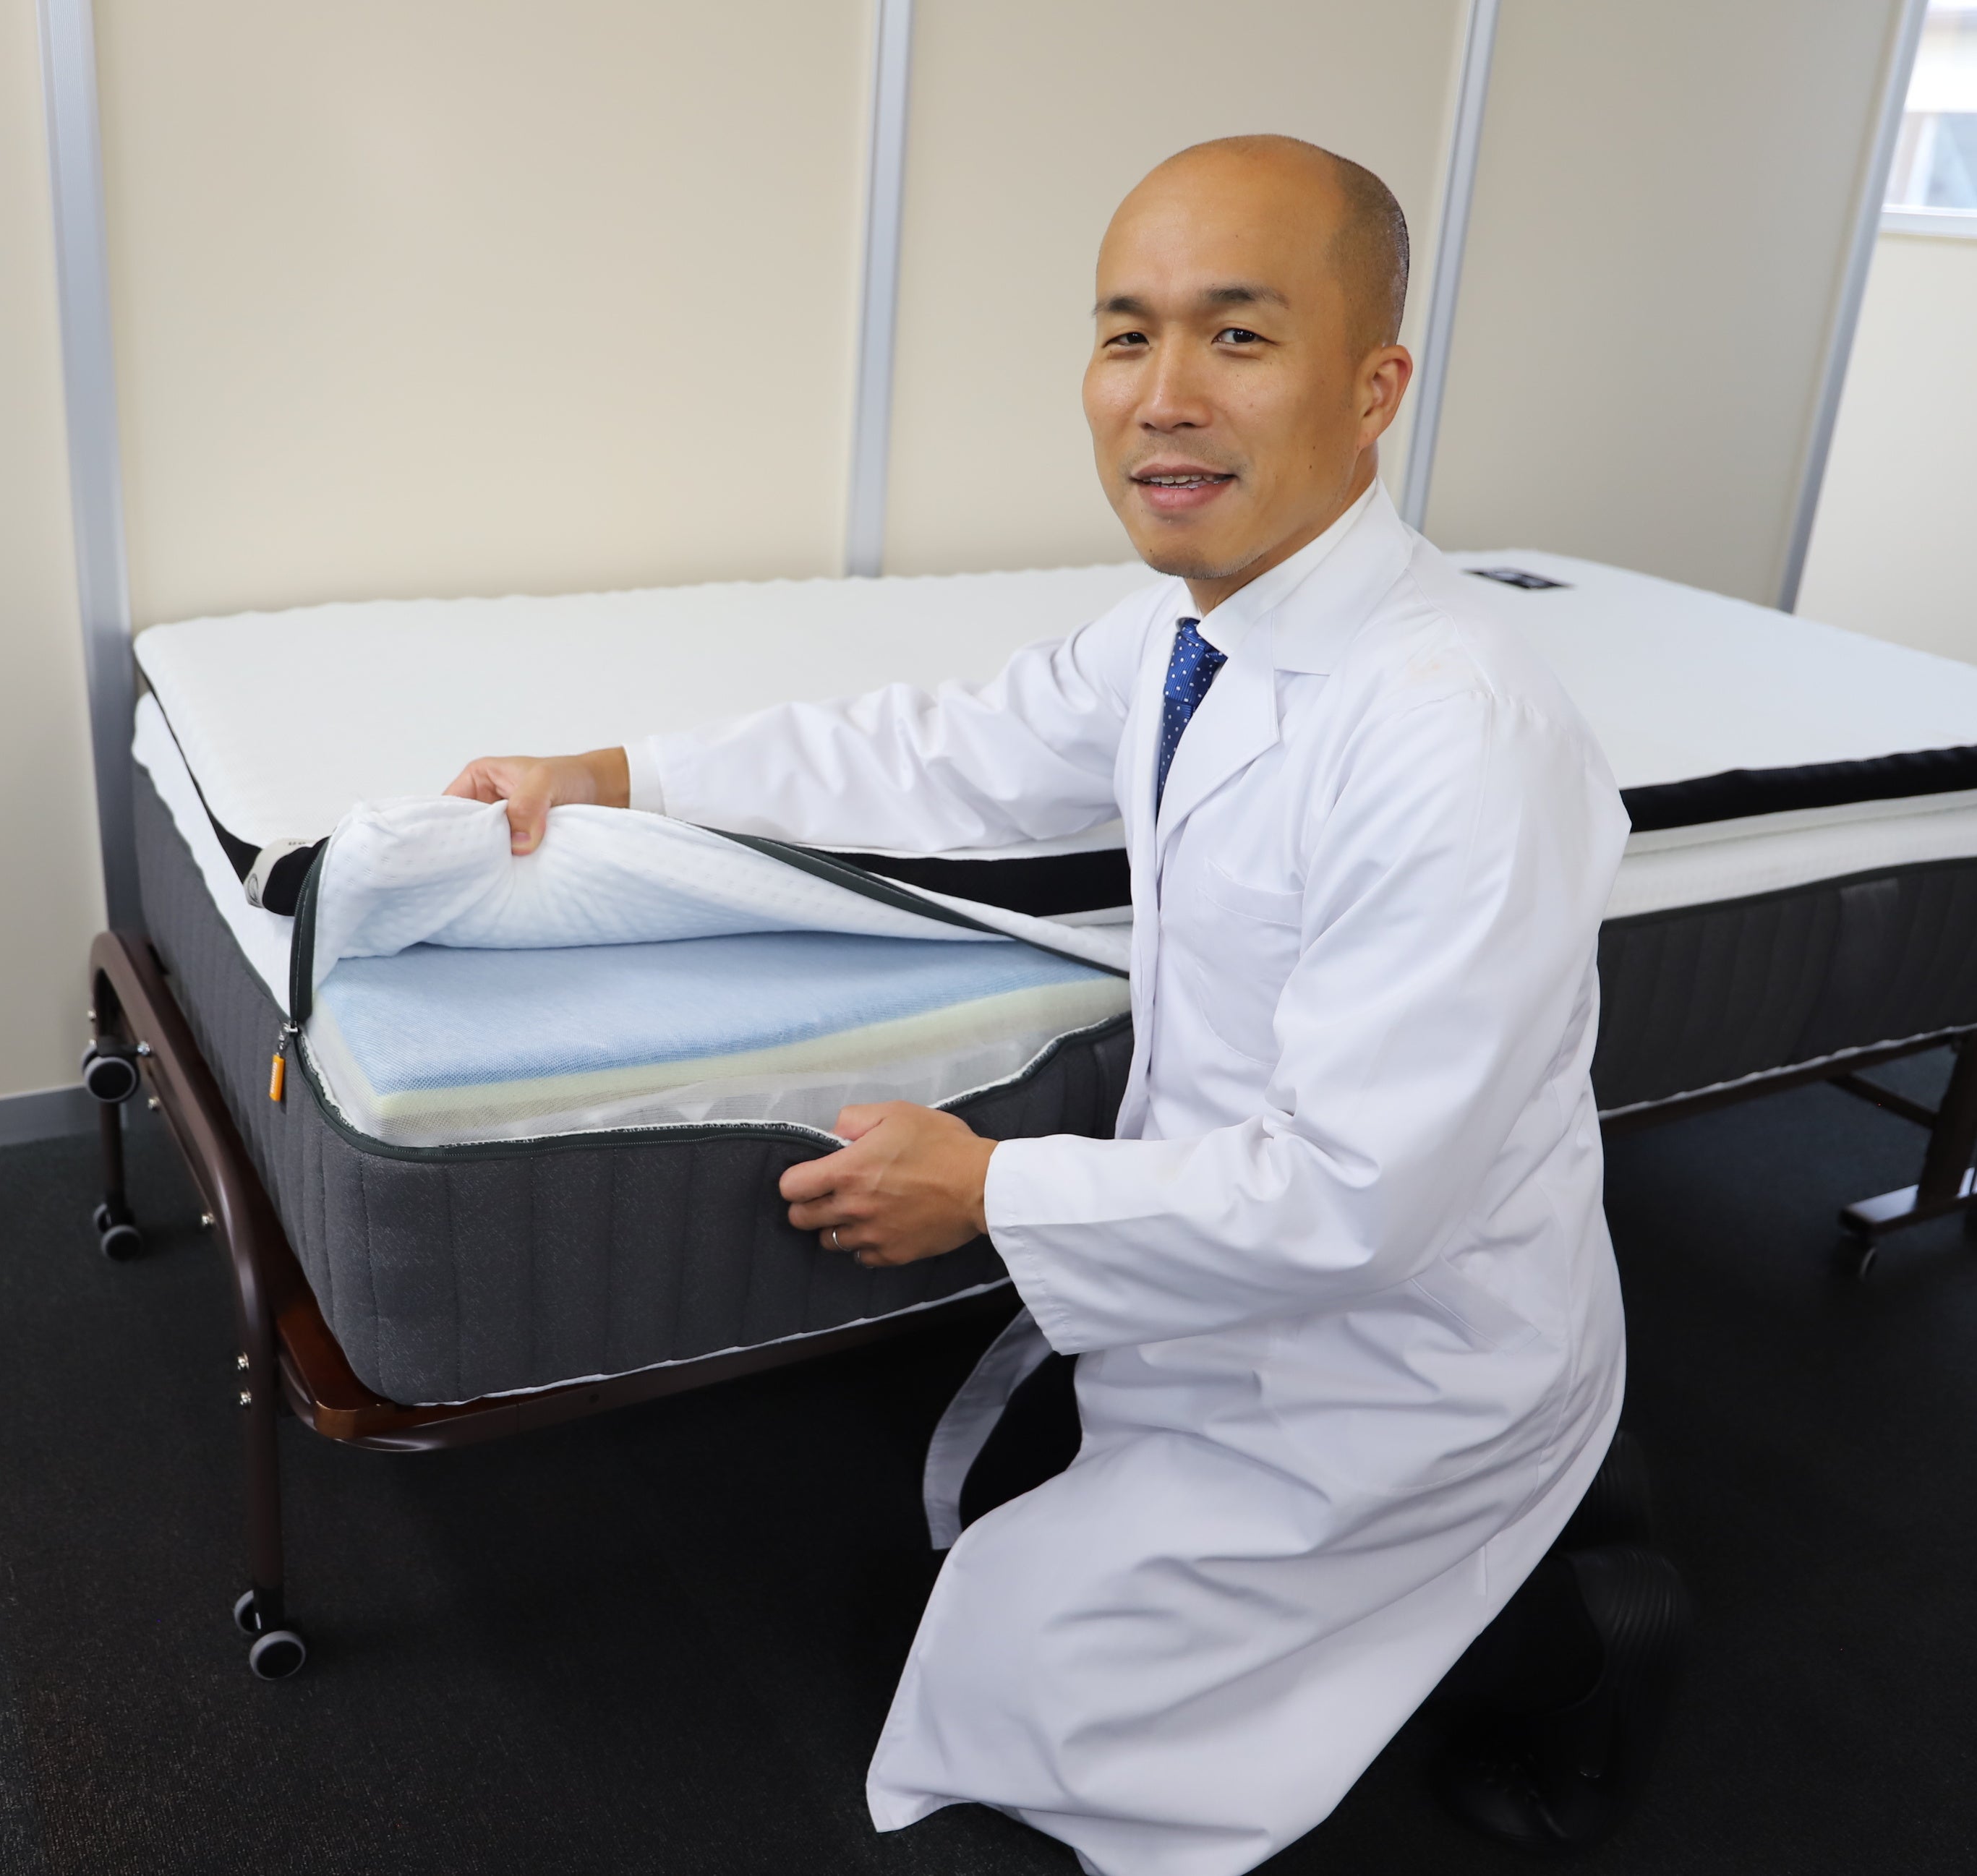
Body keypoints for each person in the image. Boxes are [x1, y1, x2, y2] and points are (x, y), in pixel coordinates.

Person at [446, 136, 1686, 1876]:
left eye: (1238, 336)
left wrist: (985, 1188)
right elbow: (942, 749)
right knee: (1008, 1592)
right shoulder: (1191, 628)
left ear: (1373, 387)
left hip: (1403, 1351)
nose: (1164, 394)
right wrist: (616, 773)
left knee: (1041, 1684)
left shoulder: (1454, 731)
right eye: (1126, 334)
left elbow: (1359, 1195)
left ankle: (1575, 1633)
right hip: (1235, 1284)